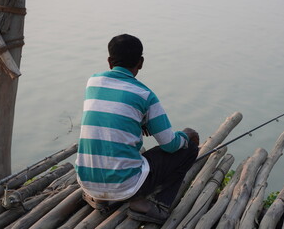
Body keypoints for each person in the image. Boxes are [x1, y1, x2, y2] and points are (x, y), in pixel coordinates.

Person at [75, 34, 199, 224]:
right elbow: (170, 145)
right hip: (125, 185)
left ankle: (100, 197)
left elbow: (111, 114)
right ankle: (152, 204)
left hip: (86, 182)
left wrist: (140, 121)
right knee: (188, 147)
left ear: (109, 61)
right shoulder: (145, 95)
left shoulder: (92, 82)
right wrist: (187, 135)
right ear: (140, 63)